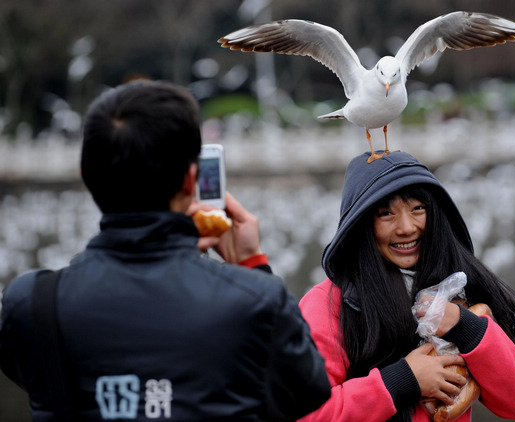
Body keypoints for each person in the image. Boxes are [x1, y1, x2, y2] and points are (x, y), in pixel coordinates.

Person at [0, 80, 330, 421]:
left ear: (87, 177)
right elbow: (308, 392)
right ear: (191, 181)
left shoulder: (30, 305)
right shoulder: (255, 301)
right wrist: (252, 265)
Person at [298, 151, 515, 421]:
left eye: (418, 208)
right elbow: (305, 413)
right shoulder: (326, 304)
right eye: (385, 213)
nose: (406, 227)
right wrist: (401, 381)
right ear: (362, 225)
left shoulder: (457, 292)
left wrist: (467, 327)